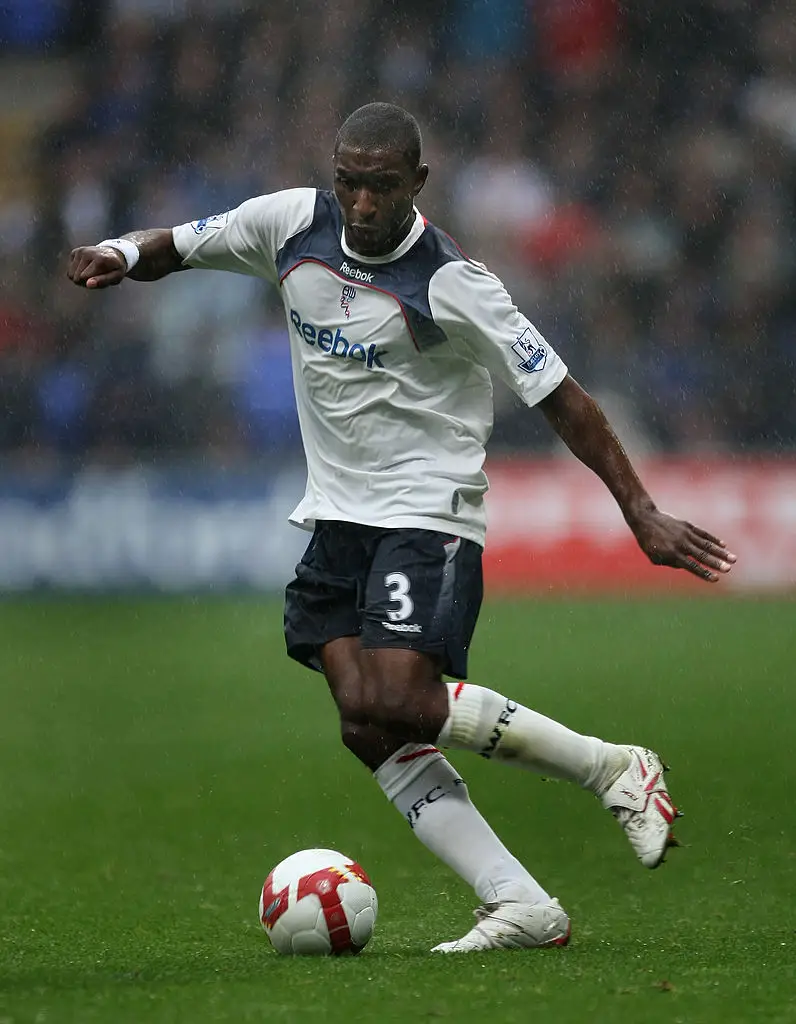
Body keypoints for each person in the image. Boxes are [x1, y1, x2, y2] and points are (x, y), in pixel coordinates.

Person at [68, 102, 736, 953]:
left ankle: (613, 767)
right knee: (365, 721)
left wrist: (640, 512)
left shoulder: (452, 281)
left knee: (403, 699)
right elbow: (182, 244)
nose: (361, 204)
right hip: (337, 516)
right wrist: (120, 253)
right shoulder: (290, 224)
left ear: (417, 183)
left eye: (381, 187)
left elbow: (565, 400)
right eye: (348, 182)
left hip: (428, 511)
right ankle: (520, 903)